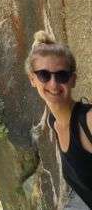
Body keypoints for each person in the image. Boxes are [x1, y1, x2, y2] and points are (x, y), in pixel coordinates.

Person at [26, 30, 92, 206]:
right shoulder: (54, 123)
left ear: (73, 80)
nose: (53, 84)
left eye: (62, 75)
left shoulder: (89, 121)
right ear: (32, 79)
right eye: (44, 75)